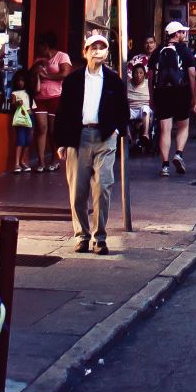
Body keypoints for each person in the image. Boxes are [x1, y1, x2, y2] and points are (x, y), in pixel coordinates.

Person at [55, 33, 128, 255]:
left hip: (105, 137)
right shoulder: (74, 80)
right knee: (78, 191)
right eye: (93, 47)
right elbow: (64, 112)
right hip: (79, 138)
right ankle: (82, 236)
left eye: (102, 47)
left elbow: (123, 110)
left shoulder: (114, 79)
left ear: (107, 53)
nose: (97, 50)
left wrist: (116, 130)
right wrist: (62, 142)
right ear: (85, 52)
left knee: (103, 188)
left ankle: (100, 238)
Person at [149, 20, 195, 178]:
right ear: (176, 34)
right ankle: (179, 154)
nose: (184, 34)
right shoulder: (185, 51)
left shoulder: (157, 51)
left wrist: (151, 95)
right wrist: (194, 96)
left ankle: (165, 165)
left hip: (161, 92)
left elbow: (150, 76)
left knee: (165, 129)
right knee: (183, 126)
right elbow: (192, 74)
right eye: (182, 32)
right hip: (181, 92)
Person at [33, 32, 70, 172]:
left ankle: (54, 160)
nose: (38, 50)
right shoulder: (39, 59)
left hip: (56, 96)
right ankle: (41, 162)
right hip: (40, 96)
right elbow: (33, 73)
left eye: (40, 47)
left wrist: (46, 75)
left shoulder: (62, 56)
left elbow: (65, 73)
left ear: (46, 46)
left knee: (53, 130)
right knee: (41, 128)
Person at [8, 69, 36, 174]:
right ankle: (16, 164)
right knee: (20, 139)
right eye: (19, 80)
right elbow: (13, 103)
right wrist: (17, 104)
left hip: (30, 116)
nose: (20, 82)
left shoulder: (29, 93)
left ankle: (23, 161)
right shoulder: (14, 93)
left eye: (23, 80)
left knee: (28, 140)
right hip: (20, 117)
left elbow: (33, 106)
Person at [125, 57, 152, 157]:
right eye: (136, 73)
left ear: (144, 74)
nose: (138, 75)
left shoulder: (147, 83)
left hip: (143, 109)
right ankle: (128, 135)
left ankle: (145, 134)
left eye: (141, 73)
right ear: (132, 74)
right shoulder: (127, 84)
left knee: (145, 109)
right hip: (131, 108)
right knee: (124, 111)